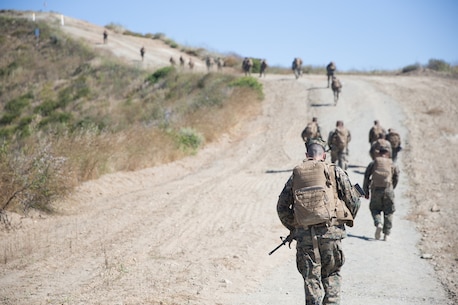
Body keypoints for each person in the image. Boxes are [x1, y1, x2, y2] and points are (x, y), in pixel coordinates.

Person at [276, 138, 361, 305]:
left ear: (307, 155)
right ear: (324, 155)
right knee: (331, 274)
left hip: (305, 236)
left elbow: (281, 207)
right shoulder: (334, 171)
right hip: (331, 234)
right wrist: (344, 219)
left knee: (311, 279)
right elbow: (353, 201)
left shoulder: (297, 175)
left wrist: (294, 227)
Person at [363, 147, 400, 241]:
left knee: (374, 209)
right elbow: (396, 177)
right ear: (388, 153)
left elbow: (366, 177)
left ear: (379, 153)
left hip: (375, 190)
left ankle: (378, 223)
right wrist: (392, 187)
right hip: (388, 190)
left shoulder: (373, 163)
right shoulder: (392, 164)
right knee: (389, 211)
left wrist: (366, 191)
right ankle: (386, 234)